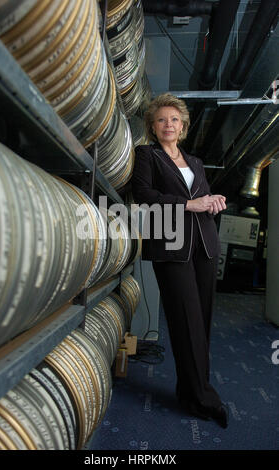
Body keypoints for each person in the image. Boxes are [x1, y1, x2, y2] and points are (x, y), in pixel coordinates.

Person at [131, 93, 228, 428]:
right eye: (161, 120)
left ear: (183, 127)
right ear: (153, 127)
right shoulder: (147, 155)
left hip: (204, 246)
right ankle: (204, 398)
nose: (168, 125)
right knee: (184, 321)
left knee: (200, 322)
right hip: (171, 247)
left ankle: (191, 392)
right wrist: (191, 205)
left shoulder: (196, 163)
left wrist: (212, 200)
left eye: (174, 120)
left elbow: (202, 198)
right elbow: (144, 195)